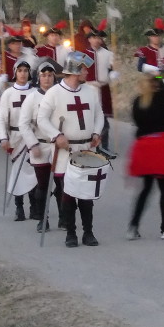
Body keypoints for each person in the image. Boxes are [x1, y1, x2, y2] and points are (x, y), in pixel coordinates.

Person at [37, 51, 104, 248]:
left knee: (86, 193)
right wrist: (56, 136)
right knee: (68, 194)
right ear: (75, 70)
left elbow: (98, 114)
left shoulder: (89, 92)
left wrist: (97, 133)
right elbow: (42, 119)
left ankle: (88, 232)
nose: (86, 72)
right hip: (65, 151)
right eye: (84, 68)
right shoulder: (54, 93)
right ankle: (71, 233)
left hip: (85, 148)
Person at [126, 64, 164, 240]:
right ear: (156, 84)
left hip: (145, 147)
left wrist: (156, 77)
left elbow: (138, 124)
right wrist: (163, 73)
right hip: (162, 146)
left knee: (145, 189)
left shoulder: (138, 101)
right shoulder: (162, 97)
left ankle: (133, 226)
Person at [19, 59, 64, 232]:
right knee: (43, 186)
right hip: (40, 145)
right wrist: (32, 144)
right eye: (44, 75)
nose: (47, 78)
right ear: (38, 77)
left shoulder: (60, 96)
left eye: (50, 75)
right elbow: (24, 124)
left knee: (61, 184)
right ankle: (42, 218)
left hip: (58, 146)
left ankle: (63, 217)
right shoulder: (31, 98)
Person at [0, 59, 38, 221]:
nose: (23, 74)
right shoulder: (8, 93)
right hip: (15, 137)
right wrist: (3, 138)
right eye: (20, 70)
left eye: (25, 71)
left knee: (34, 172)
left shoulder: (35, 92)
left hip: (33, 136)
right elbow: (2, 118)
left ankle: (34, 207)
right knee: (18, 172)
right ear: (15, 73)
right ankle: (19, 207)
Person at [83, 24, 118, 154]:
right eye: (94, 38)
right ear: (89, 39)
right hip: (88, 88)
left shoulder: (108, 54)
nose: (97, 40)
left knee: (103, 119)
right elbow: (80, 72)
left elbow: (112, 70)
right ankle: (90, 145)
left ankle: (105, 146)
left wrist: (113, 75)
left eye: (99, 38)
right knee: (89, 117)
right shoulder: (83, 55)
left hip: (103, 88)